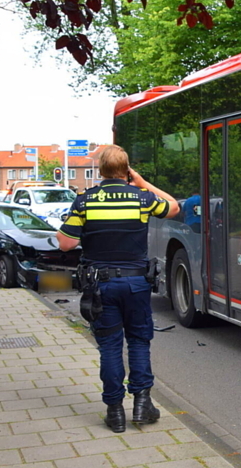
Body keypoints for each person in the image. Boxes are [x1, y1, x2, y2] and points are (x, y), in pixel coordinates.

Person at [56, 146, 180, 433]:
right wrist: (141, 182)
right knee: (138, 341)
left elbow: (65, 243)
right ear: (127, 171)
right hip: (136, 284)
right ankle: (141, 404)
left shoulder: (85, 202)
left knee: (110, 346)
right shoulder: (143, 198)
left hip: (101, 285)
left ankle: (115, 412)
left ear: (100, 170)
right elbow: (173, 207)